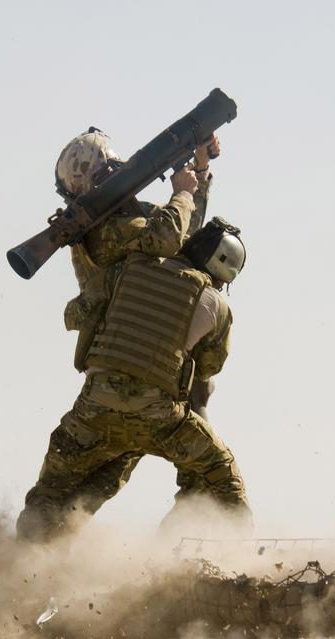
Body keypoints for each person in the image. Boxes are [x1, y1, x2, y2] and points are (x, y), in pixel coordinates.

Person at [16, 217, 251, 542]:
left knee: (52, 491)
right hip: (160, 421)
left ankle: (24, 562)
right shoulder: (216, 304)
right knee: (221, 474)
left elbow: (73, 316)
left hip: (91, 415)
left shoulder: (128, 269)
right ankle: (236, 556)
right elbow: (210, 366)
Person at [50, 127, 220, 519]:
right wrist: (182, 190)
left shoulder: (116, 220)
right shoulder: (106, 230)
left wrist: (199, 170)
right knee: (204, 467)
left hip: (133, 359)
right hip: (137, 367)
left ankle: (41, 557)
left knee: (99, 479)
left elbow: (184, 233)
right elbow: (167, 240)